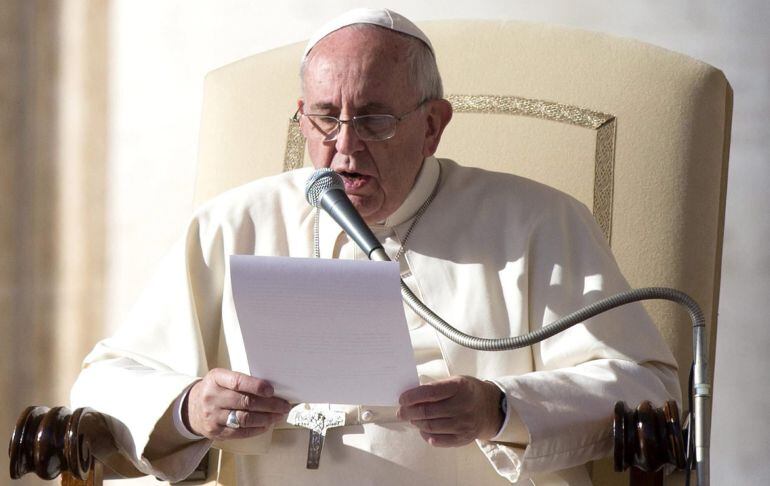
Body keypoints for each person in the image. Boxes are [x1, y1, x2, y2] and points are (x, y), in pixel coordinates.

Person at [71, 8, 680, 485]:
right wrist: (189, 408)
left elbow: (648, 390)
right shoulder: (233, 222)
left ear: (433, 124)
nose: (344, 147)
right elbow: (104, 382)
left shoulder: (538, 222)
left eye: (374, 119)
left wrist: (499, 408)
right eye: (324, 118)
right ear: (300, 118)